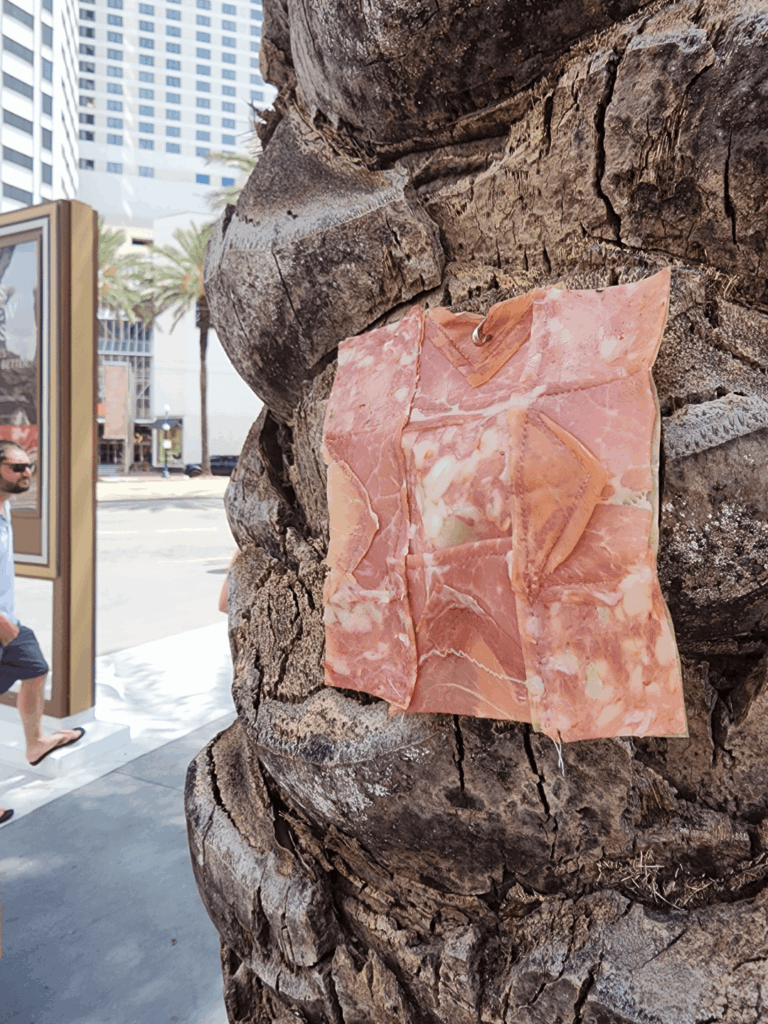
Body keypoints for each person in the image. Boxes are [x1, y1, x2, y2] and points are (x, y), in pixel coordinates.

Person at [0, 441, 84, 825]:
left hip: (8, 622)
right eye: (17, 467)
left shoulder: (5, 507)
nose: (26, 473)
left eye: (29, 466)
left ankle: (35, 744)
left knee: (35, 668)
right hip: (2, 624)